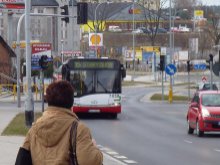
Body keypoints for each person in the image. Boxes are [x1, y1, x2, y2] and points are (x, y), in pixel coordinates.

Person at [16, 80, 103, 165]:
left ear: (48, 101)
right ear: (71, 102)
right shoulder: (79, 129)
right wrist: (95, 149)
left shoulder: (34, 129)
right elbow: (89, 162)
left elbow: (22, 158)